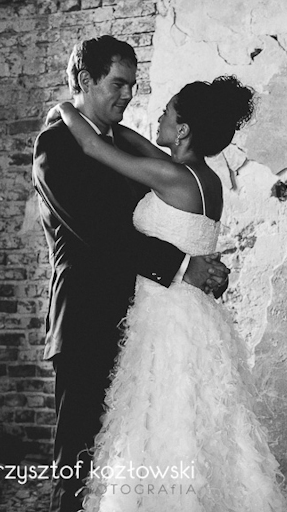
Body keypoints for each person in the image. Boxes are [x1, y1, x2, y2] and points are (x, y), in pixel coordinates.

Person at [52, 74, 287, 511]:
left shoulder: (170, 176)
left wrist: (65, 107)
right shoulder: (203, 178)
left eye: (167, 112)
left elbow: (93, 147)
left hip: (164, 318)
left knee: (162, 424)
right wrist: (109, 120)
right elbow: (130, 138)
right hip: (193, 313)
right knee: (195, 427)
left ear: (182, 130)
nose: (158, 116)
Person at [32, 35, 231, 512]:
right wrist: (185, 265)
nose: (129, 95)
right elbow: (98, 233)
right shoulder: (56, 143)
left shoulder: (119, 141)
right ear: (86, 80)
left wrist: (200, 259)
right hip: (86, 320)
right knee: (78, 463)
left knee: (128, 461)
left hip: (143, 324)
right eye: (118, 84)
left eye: (133, 85)